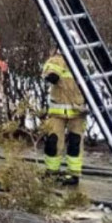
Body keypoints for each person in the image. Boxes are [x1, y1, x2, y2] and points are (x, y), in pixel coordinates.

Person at [42, 49, 86, 186]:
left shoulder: (82, 60)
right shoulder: (56, 60)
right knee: (53, 141)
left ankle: (74, 173)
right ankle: (51, 171)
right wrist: (52, 75)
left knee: (75, 142)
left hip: (78, 109)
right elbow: (49, 71)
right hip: (57, 110)